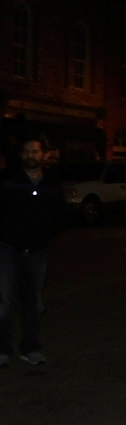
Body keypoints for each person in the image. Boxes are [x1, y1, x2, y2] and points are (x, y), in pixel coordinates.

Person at [0, 136, 66, 367]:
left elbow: (60, 215)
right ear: (21, 154)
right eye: (26, 151)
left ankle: (31, 348)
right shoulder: (8, 180)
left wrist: (46, 235)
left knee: (33, 302)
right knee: (6, 301)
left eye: (35, 151)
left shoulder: (51, 183)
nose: (30, 155)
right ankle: (2, 350)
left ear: (44, 155)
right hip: (8, 249)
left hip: (38, 251)